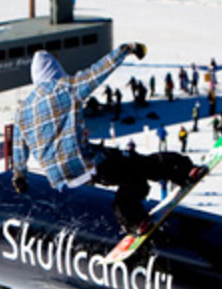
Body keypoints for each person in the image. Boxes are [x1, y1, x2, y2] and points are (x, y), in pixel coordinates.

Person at [11, 45, 199, 234]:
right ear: (55, 71)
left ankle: (134, 220)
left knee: (129, 176)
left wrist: (20, 177)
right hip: (89, 163)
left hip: (64, 177)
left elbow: (18, 148)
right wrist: (126, 49)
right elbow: (98, 71)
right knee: (139, 166)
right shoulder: (67, 87)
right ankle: (182, 170)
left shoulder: (23, 112)